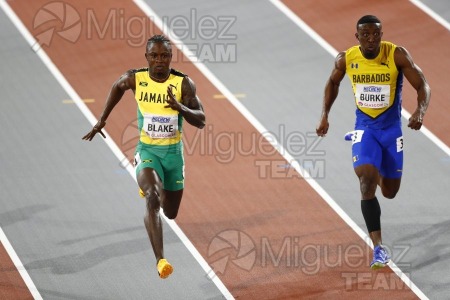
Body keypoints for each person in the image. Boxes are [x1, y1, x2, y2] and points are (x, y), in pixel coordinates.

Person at [82, 35, 205, 278]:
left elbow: (201, 120)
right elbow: (118, 86)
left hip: (173, 155)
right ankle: (161, 260)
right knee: (152, 198)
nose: (160, 60)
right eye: (155, 56)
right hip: (148, 151)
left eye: (165, 56)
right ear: (147, 57)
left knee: (171, 213)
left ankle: (153, 181)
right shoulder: (135, 79)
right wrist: (101, 120)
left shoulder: (183, 84)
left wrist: (180, 107)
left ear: (171, 57)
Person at [316, 15, 431, 270]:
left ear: (381, 34)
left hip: (391, 131)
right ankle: (379, 248)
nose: (371, 39)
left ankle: (374, 160)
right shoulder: (347, 58)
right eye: (365, 34)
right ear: (357, 37)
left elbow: (422, 84)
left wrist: (420, 111)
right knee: (366, 183)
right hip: (365, 128)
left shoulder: (396, 55)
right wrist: (325, 115)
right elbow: (333, 82)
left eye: (375, 34)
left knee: (389, 192)